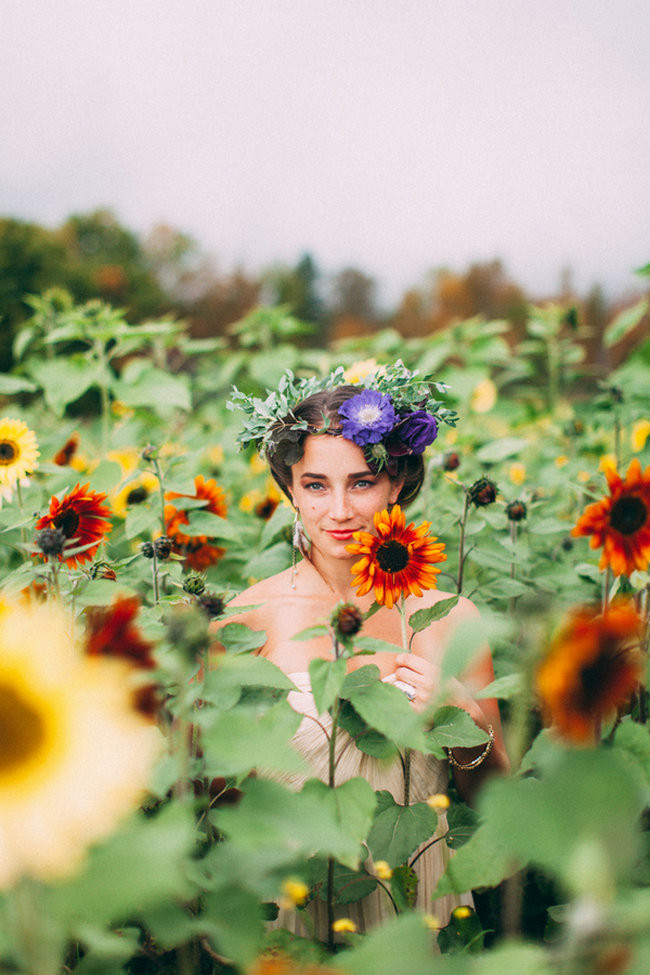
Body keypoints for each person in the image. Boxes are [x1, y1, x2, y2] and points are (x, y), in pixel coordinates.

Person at [222, 365, 509, 937]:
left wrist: (466, 726)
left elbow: (498, 807)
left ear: (396, 484)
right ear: (290, 489)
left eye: (360, 482)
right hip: (293, 898)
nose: (339, 511)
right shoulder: (247, 618)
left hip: (418, 900)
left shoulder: (453, 620)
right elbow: (221, 800)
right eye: (315, 485)